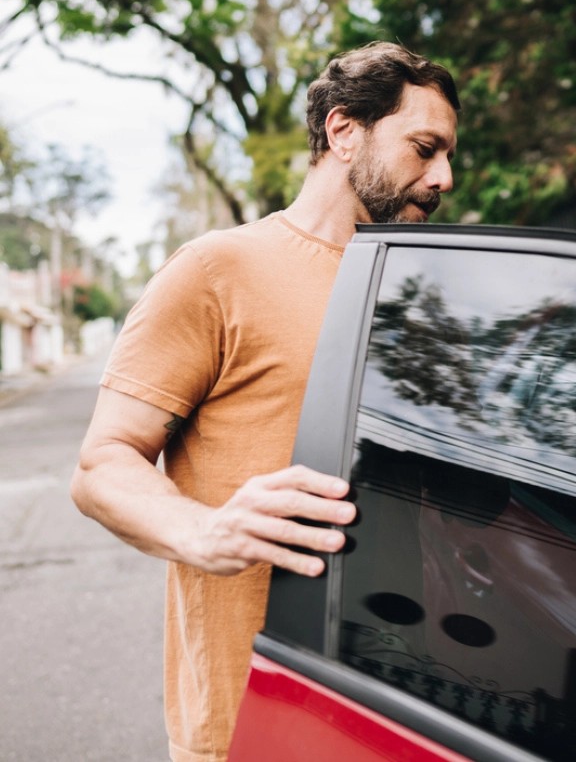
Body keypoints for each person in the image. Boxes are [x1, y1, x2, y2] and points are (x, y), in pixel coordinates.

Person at [71, 42, 460, 762]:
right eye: (425, 148)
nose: (444, 176)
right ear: (344, 131)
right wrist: (207, 532)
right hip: (252, 721)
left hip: (403, 712)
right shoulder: (218, 269)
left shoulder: (419, 294)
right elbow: (101, 465)